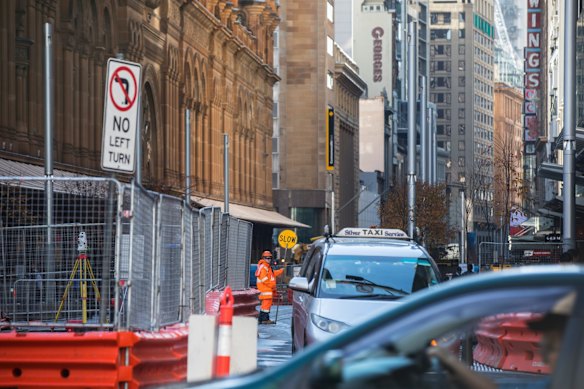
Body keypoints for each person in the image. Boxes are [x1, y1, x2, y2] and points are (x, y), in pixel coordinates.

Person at [426, 291, 576, 389]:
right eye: (545, 343)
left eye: (553, 347)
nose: (544, 353)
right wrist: (451, 362)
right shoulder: (557, 383)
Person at [255, 250, 284, 324]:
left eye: (269, 258)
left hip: (267, 289)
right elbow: (264, 279)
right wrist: (271, 285)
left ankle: (262, 319)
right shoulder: (264, 267)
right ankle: (264, 319)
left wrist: (281, 271)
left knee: (265, 305)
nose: (268, 259)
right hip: (265, 289)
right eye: (267, 258)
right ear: (263, 258)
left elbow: (273, 274)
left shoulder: (267, 267)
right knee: (266, 305)